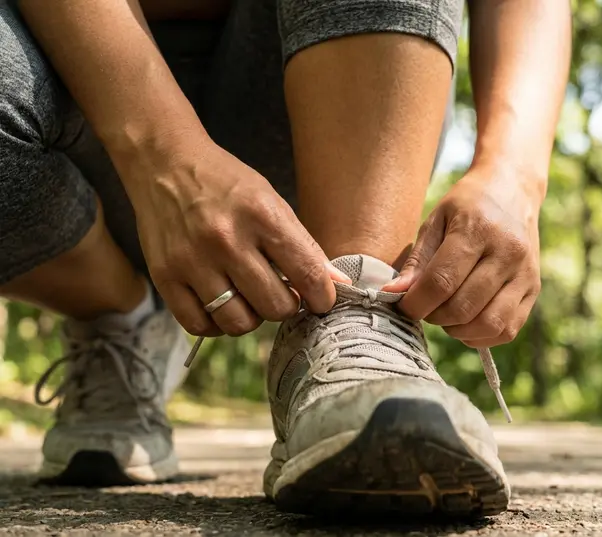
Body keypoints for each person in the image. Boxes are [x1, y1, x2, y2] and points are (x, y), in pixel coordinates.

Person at [0, 0, 570, 517]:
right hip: (66, 102)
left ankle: (354, 320)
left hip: (339, 102)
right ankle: (120, 318)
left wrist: (512, 179)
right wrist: (166, 159)